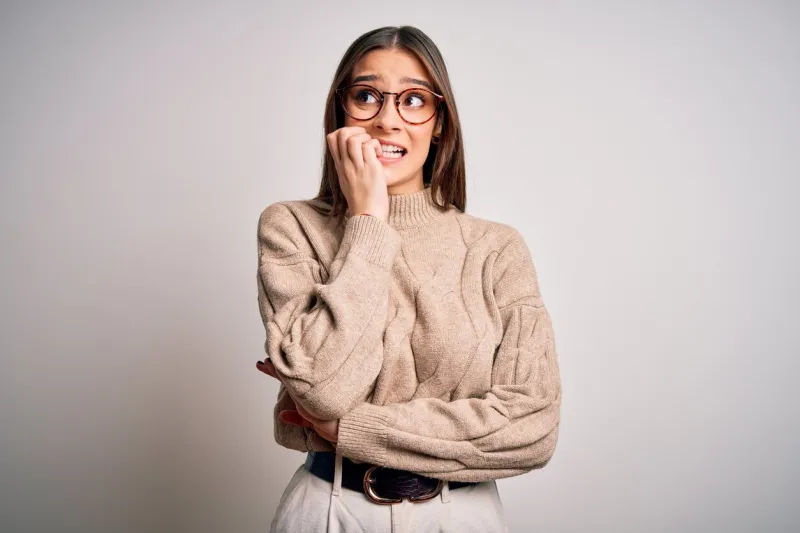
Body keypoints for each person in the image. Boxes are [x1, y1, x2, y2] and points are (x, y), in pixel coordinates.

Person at [255, 25, 561, 533]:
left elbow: (533, 429)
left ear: (440, 122)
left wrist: (351, 429)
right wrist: (368, 221)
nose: (387, 120)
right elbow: (324, 390)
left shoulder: (496, 249)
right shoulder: (291, 228)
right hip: (329, 509)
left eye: (414, 100)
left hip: (460, 517)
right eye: (367, 96)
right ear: (340, 112)